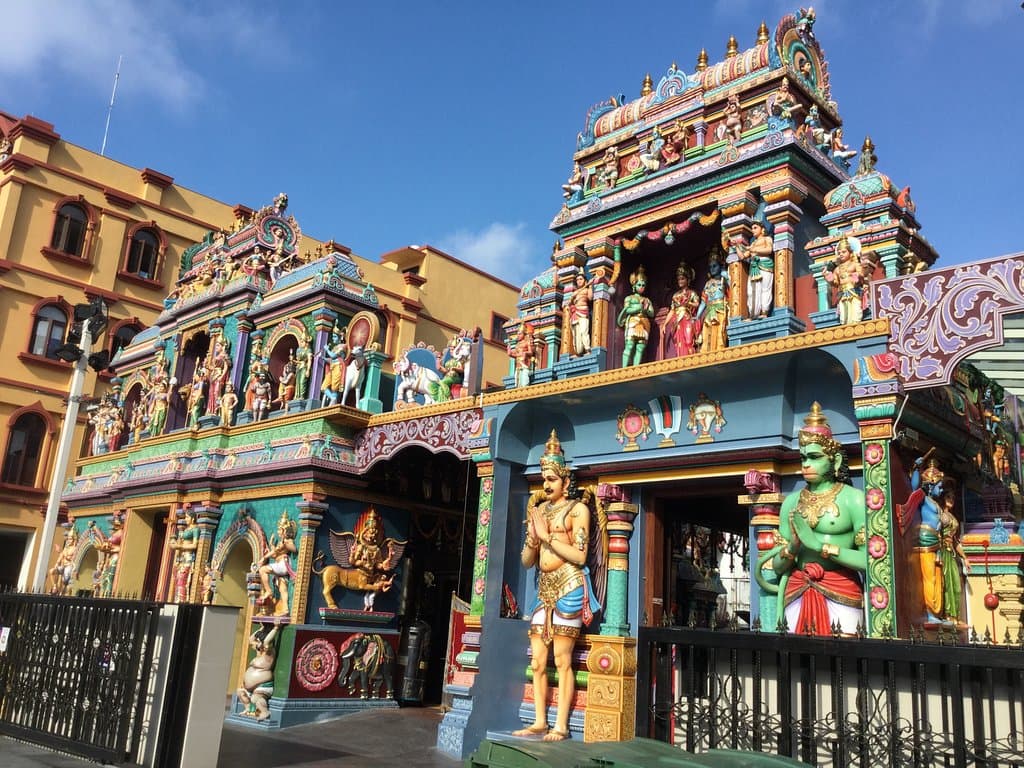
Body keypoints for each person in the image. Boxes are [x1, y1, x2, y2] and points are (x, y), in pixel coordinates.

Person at [514, 430, 600, 741]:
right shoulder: (539, 511)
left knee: (563, 660)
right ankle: (539, 720)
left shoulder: (578, 510)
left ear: (565, 481)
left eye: (551, 478)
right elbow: (526, 561)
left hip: (569, 585)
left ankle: (561, 725)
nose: (546, 484)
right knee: (537, 661)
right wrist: (533, 539)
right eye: (543, 478)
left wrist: (547, 536)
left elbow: (579, 555)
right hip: (544, 589)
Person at [767, 403, 867, 635]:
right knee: (798, 661)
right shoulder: (791, 503)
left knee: (843, 662)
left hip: (841, 590)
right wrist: (793, 546)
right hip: (797, 589)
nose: (806, 465)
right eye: (803, 458)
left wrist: (819, 546)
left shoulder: (853, 500)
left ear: (836, 461)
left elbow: (871, 562)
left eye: (814, 457)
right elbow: (778, 567)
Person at [906, 455, 971, 623]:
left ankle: (936, 612)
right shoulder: (924, 499)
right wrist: (916, 469)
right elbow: (914, 487)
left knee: (938, 578)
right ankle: (930, 611)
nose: (941, 491)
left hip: (937, 543)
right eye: (939, 487)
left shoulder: (937, 506)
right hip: (926, 539)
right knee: (930, 577)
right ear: (930, 485)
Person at [237, 620, 281, 721]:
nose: (258, 644)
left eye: (260, 642)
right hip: (250, 687)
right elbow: (250, 640)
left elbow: (267, 641)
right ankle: (248, 710)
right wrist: (261, 628)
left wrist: (276, 628)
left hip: (263, 685)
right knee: (240, 692)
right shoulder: (259, 651)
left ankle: (264, 712)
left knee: (255, 699)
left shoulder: (269, 652)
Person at [257, 511, 297, 616]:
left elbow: (294, 549)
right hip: (280, 564)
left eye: (280, 529)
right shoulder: (281, 541)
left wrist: (285, 544)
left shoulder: (287, 540)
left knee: (263, 570)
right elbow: (274, 554)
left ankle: (269, 591)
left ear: (284, 530)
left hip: (284, 564)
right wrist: (271, 546)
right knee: (282, 588)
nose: (278, 531)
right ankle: (286, 609)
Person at [616, 265, 655, 367]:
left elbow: (652, 313)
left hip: (644, 322)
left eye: (643, 285)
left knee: (640, 347)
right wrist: (639, 307)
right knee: (630, 345)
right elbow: (627, 310)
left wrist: (646, 308)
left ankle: (636, 367)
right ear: (634, 285)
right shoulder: (629, 298)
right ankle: (624, 368)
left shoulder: (647, 300)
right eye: (639, 284)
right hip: (633, 322)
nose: (641, 287)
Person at [824, 235, 869, 325]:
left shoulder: (855, 264)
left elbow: (862, 274)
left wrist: (858, 277)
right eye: (839, 253)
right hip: (842, 293)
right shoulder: (837, 269)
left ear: (850, 252)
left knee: (856, 313)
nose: (841, 254)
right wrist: (830, 279)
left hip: (854, 291)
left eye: (844, 252)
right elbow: (836, 283)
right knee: (844, 317)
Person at [737, 219, 775, 319]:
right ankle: (753, 314)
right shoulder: (753, 243)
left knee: (765, 289)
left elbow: (769, 250)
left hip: (765, 265)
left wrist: (754, 250)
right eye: (752, 228)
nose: (753, 230)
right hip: (754, 267)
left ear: (762, 229)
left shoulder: (767, 239)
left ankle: (764, 312)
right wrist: (736, 246)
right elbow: (742, 256)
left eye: (755, 228)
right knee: (751, 291)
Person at [663, 263, 702, 357]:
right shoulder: (676, 295)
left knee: (689, 340)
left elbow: (697, 304)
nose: (680, 281)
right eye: (679, 279)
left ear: (687, 280)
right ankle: (681, 357)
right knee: (679, 342)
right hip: (677, 320)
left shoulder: (691, 293)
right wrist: (664, 324)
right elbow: (672, 310)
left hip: (687, 317)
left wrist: (687, 303)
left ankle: (691, 358)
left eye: (682, 279)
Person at [698, 249, 730, 353]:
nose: (712, 269)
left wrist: (727, 278)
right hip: (709, 311)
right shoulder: (708, 284)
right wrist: (697, 316)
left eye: (715, 266)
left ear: (720, 266)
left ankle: (719, 350)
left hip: (720, 309)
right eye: (710, 267)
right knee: (707, 334)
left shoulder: (723, 280)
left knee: (720, 332)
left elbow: (732, 289)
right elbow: (703, 302)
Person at [168, 509, 200, 602]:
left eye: (187, 517)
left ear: (193, 519)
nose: (185, 519)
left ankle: (182, 600)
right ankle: (177, 599)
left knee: (183, 577)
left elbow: (194, 545)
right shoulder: (186, 529)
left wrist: (180, 546)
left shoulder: (195, 529)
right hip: (181, 556)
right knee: (177, 577)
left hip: (188, 556)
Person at [568, 271, 593, 357]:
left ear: (585, 280)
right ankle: (578, 352)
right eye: (577, 280)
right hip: (575, 313)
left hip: (583, 312)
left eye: (581, 279)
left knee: (584, 331)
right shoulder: (575, 292)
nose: (579, 281)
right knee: (576, 334)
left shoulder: (586, 289)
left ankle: (588, 349)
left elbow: (590, 298)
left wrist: (590, 287)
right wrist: (572, 298)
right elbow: (569, 303)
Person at [49, 526, 79, 595]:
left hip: (69, 566)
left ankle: (63, 591)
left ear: (74, 540)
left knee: (65, 580)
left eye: (70, 539)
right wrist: (57, 563)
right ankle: (55, 586)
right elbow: (61, 556)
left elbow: (72, 559)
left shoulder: (75, 549)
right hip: (63, 565)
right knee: (52, 571)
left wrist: (60, 552)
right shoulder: (66, 548)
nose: (69, 540)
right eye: (68, 539)